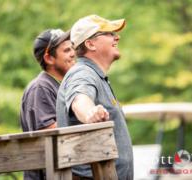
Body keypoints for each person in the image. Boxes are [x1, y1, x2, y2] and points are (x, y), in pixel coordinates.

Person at [56, 15, 134, 180]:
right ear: (90, 44)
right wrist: (89, 112)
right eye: (109, 33)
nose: (116, 37)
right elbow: (79, 99)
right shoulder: (83, 73)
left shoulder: (95, 75)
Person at [20, 28, 75, 180]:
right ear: (49, 58)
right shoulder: (41, 87)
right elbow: (50, 134)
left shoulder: (58, 85)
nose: (73, 53)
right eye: (66, 50)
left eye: (72, 48)